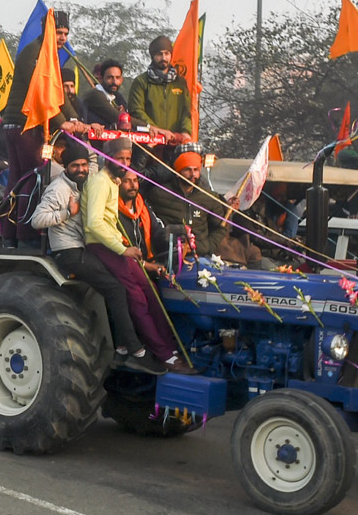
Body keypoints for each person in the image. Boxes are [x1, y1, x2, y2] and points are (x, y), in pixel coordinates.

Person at [30, 138, 165, 374]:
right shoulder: (59, 189)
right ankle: (136, 351)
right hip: (69, 251)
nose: (81, 169)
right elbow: (37, 220)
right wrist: (66, 212)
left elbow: (97, 162)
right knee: (116, 289)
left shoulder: (86, 180)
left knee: (120, 284)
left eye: (83, 165)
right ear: (66, 167)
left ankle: (122, 348)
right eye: (75, 166)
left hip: (84, 248)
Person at [83, 138, 192, 372]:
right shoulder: (101, 183)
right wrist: (123, 248)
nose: (124, 163)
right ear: (108, 157)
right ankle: (160, 354)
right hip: (103, 246)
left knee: (150, 292)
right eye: (120, 158)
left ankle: (171, 349)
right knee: (138, 298)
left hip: (114, 244)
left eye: (128, 159)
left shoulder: (113, 181)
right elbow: (94, 223)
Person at [0, 9, 93, 247]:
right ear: (47, 31)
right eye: (58, 32)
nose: (62, 38)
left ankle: (10, 236)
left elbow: (58, 97)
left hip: (25, 124)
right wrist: (63, 123)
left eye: (65, 33)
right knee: (32, 179)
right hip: (24, 125)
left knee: (19, 180)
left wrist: (77, 122)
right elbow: (42, 95)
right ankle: (24, 236)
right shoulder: (35, 53)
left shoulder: (49, 54)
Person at [145, 146, 228, 258]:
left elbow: (221, 227)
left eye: (196, 170)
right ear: (178, 171)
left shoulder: (209, 197)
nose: (192, 174)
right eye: (187, 169)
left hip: (200, 256)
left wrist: (206, 246)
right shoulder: (159, 193)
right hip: (169, 255)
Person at [127, 36, 192, 144]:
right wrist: (158, 130)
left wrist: (186, 132)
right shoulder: (141, 82)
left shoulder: (180, 83)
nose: (163, 57)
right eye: (159, 54)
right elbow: (136, 111)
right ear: (153, 56)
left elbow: (186, 112)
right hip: (149, 140)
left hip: (176, 141)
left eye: (167, 53)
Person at [80, 59, 129, 129]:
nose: (114, 82)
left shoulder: (117, 96)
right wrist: (148, 126)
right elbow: (116, 116)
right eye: (110, 78)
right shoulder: (95, 94)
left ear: (121, 80)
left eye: (117, 78)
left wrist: (123, 112)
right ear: (101, 79)